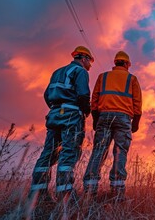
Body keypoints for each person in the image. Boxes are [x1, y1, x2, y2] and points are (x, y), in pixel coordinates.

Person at [25, 46, 94, 214]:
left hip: (54, 114)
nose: (90, 65)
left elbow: (47, 95)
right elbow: (84, 94)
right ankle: (65, 196)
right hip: (71, 115)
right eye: (90, 61)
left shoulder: (57, 72)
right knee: (69, 153)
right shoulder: (81, 71)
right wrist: (85, 111)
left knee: (48, 154)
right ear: (84, 58)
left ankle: (38, 195)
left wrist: (56, 108)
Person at [83, 50, 142, 201]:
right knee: (120, 152)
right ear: (127, 64)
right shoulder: (132, 79)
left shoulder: (103, 77)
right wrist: (135, 123)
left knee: (99, 151)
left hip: (104, 116)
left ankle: (89, 191)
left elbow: (94, 100)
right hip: (123, 119)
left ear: (115, 62)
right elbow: (137, 103)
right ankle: (117, 192)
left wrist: (96, 119)